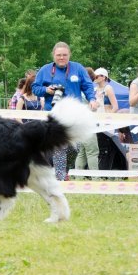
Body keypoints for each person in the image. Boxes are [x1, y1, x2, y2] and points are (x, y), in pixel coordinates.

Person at [32, 42, 97, 180]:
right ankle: (60, 178)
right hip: (54, 114)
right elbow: (35, 88)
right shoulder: (45, 70)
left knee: (75, 147)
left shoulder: (78, 68)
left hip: (75, 115)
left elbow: (88, 85)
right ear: (54, 55)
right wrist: (46, 90)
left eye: (64, 55)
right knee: (60, 147)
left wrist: (92, 99)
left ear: (69, 55)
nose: (61, 57)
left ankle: (64, 172)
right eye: (59, 55)